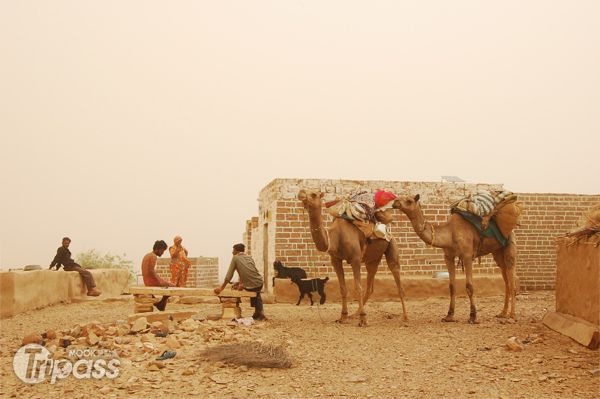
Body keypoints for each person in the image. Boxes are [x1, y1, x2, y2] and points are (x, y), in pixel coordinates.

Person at [214, 243, 266, 321]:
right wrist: (241, 284)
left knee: (249, 289)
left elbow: (229, 275)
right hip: (260, 282)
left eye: (233, 250)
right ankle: (258, 312)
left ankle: (259, 313)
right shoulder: (249, 257)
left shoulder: (235, 258)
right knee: (256, 292)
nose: (232, 252)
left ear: (237, 251)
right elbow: (247, 272)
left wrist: (221, 288)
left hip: (252, 285)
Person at [141, 240, 174, 311]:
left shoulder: (147, 255)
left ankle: (158, 303)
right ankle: (161, 304)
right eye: (162, 251)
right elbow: (151, 270)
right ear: (158, 249)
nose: (162, 253)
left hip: (146, 280)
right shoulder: (153, 256)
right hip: (150, 281)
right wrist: (160, 280)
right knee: (172, 286)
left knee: (166, 282)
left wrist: (161, 279)